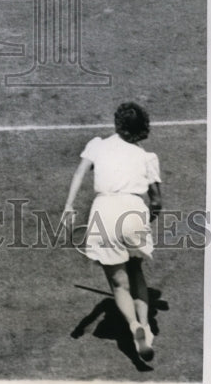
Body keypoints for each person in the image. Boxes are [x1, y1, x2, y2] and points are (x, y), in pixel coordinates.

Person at [62, 102, 162, 362]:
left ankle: (133, 326)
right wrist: (148, 218)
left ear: (117, 124)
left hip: (104, 211)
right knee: (136, 268)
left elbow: (80, 172)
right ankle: (146, 326)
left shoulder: (97, 145)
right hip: (133, 211)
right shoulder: (146, 157)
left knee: (119, 284)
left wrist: (69, 206)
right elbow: (156, 201)